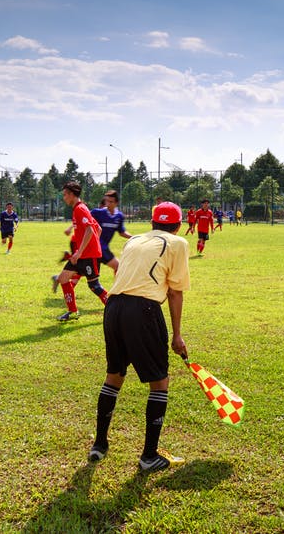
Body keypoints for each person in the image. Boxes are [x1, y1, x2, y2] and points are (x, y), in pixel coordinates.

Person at [88, 201, 190, 473]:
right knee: (159, 382)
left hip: (113, 306)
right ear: (178, 225)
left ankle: (99, 445)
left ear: (152, 223)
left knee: (114, 376)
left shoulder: (133, 241)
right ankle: (149, 456)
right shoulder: (178, 243)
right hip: (143, 309)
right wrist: (177, 336)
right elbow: (175, 292)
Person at [52, 181, 108, 321]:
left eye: (65, 195)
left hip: (88, 256)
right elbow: (98, 229)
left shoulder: (80, 209)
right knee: (63, 278)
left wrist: (83, 251)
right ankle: (72, 311)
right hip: (82, 254)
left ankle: (115, 308)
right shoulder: (80, 208)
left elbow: (90, 229)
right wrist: (86, 247)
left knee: (94, 286)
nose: (64, 197)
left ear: (72, 194)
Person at [91, 190, 132, 272]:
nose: (108, 204)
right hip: (98, 247)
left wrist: (134, 237)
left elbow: (122, 232)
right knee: (118, 267)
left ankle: (61, 277)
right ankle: (118, 285)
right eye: (106, 201)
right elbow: (84, 218)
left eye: (111, 202)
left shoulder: (119, 216)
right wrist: (71, 227)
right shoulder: (98, 212)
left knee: (85, 273)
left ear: (116, 203)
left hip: (102, 248)